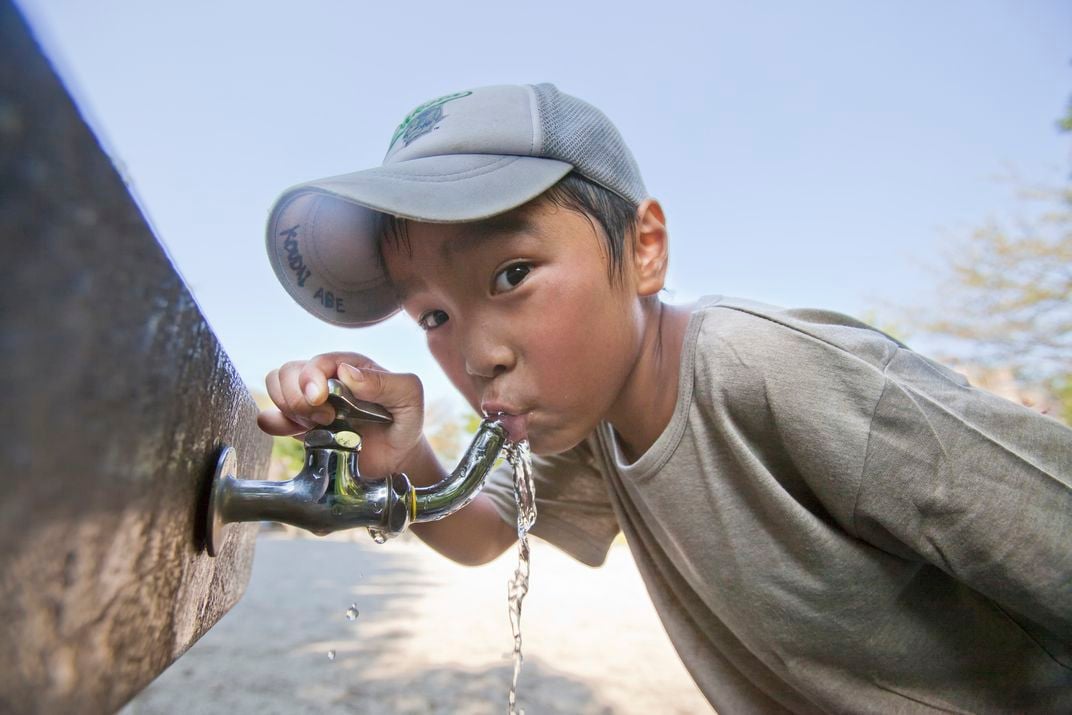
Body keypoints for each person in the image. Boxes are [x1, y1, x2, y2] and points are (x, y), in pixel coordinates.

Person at [257, 83, 1072, 712]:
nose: (476, 354)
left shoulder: (769, 369)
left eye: (512, 275)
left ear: (644, 249)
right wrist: (405, 456)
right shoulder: (590, 426)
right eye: (433, 314)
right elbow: (485, 533)